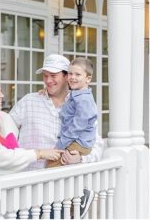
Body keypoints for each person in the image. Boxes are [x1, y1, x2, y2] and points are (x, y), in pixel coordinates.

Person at [11, 54, 102, 218]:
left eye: (53, 76)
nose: (48, 80)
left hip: (63, 192)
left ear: (67, 76)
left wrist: (80, 158)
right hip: (27, 190)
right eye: (45, 76)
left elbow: (97, 146)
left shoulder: (81, 103)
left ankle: (81, 198)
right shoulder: (28, 101)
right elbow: (5, 130)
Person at [48, 58, 98, 168]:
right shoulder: (75, 95)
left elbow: (77, 127)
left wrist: (60, 145)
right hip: (73, 142)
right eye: (70, 73)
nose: (72, 77)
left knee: (51, 165)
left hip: (78, 143)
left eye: (78, 74)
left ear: (88, 79)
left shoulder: (84, 100)